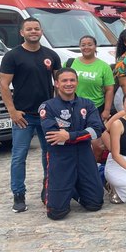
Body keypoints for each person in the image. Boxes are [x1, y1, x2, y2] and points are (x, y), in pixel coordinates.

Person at [0, 17, 61, 213]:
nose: (33, 31)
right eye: (29, 29)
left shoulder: (51, 55)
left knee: (49, 154)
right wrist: (12, 111)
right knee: (19, 156)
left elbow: (59, 84)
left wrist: (58, 109)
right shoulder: (12, 56)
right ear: (22, 33)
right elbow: (3, 84)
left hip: (46, 116)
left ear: (41, 31)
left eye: (36, 28)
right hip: (23, 116)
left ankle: (48, 188)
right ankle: (18, 194)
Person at [40, 68, 105, 220]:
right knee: (56, 213)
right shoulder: (47, 107)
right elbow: (53, 136)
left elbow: (96, 131)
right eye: (64, 80)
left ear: (77, 82)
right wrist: (82, 134)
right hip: (61, 158)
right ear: (56, 83)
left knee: (95, 204)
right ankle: (49, 187)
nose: (69, 84)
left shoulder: (87, 104)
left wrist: (69, 135)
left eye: (72, 80)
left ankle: (73, 186)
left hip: (84, 156)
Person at [68, 35, 114, 122]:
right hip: (73, 106)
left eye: (90, 44)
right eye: (83, 45)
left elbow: (109, 90)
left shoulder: (104, 66)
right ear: (80, 47)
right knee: (74, 134)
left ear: (95, 46)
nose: (86, 47)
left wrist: (107, 110)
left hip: (96, 108)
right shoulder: (70, 63)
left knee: (94, 134)